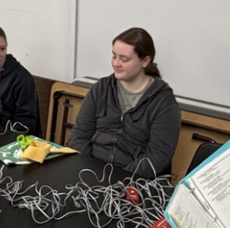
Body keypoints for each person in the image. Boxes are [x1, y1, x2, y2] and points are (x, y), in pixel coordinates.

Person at [67, 27, 180, 178]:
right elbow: (80, 135)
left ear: (145, 61)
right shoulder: (101, 88)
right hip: (91, 170)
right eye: (114, 56)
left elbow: (157, 157)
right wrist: (88, 169)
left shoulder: (163, 102)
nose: (116, 63)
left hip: (132, 180)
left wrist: (120, 179)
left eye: (124, 59)